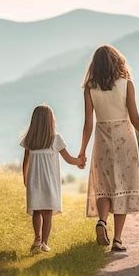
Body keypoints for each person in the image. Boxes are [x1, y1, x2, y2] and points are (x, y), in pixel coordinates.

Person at [79, 45, 139, 252]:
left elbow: (88, 122)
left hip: (102, 137)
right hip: (124, 136)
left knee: (104, 185)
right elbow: (134, 117)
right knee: (122, 186)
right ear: (117, 61)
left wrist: (82, 151)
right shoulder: (127, 84)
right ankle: (117, 240)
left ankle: (101, 221)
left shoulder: (90, 87)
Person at [21, 104, 84, 254]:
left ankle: (37, 239)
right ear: (51, 121)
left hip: (34, 181)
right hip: (49, 181)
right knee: (47, 213)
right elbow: (68, 159)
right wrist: (80, 162)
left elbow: (25, 161)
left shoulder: (30, 140)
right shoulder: (55, 139)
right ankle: (44, 243)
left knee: (36, 210)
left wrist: (25, 179)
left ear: (34, 121)